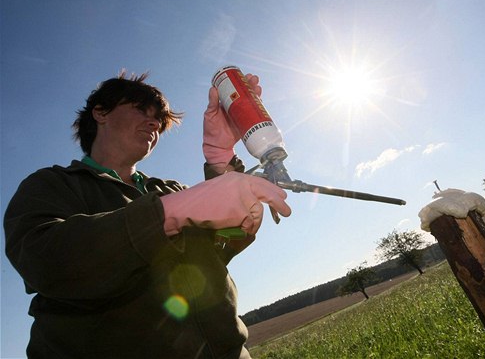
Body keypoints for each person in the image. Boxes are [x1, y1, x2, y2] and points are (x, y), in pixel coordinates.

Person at [4, 71, 291, 358]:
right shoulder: (52, 184)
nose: (154, 122)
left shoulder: (170, 189)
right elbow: (44, 261)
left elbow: (222, 246)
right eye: (141, 110)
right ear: (100, 113)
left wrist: (220, 159)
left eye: (158, 120)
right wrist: (168, 214)